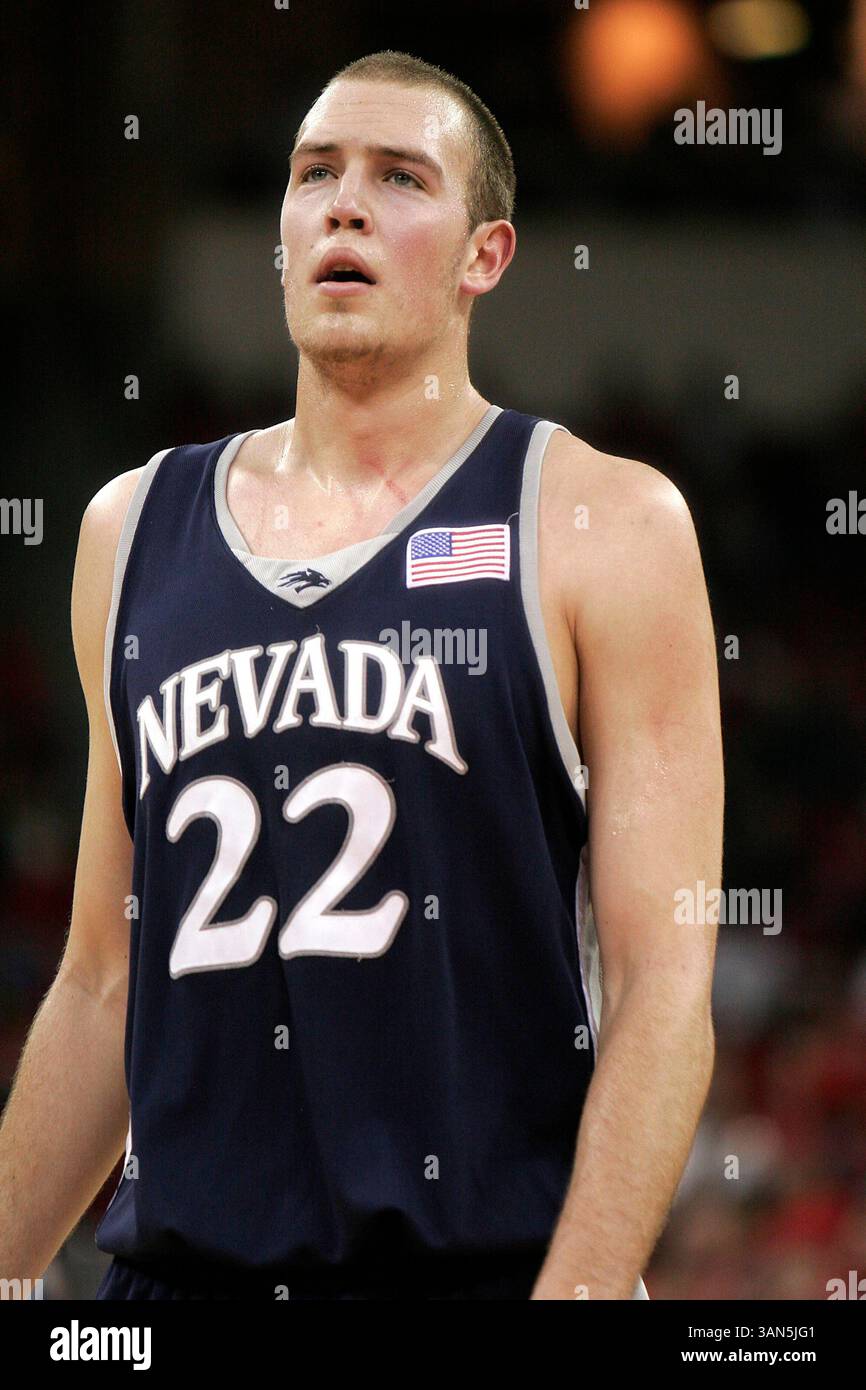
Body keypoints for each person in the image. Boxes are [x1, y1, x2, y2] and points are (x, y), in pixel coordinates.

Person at [0, 50, 723, 1301]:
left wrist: (584, 1292)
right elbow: (104, 979)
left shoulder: (604, 520)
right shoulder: (129, 530)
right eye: (313, 174)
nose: (342, 204)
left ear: (482, 257)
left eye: (398, 178)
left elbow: (665, 985)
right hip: (173, 1285)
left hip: (473, 1270)